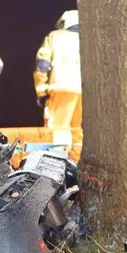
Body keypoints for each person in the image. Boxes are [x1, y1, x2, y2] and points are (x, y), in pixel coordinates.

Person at [35, 9, 82, 160]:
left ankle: (57, 163)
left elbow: (42, 65)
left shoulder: (54, 37)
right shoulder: (89, 38)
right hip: (86, 91)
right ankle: (78, 164)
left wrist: (41, 92)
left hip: (61, 88)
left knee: (58, 129)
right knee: (80, 131)